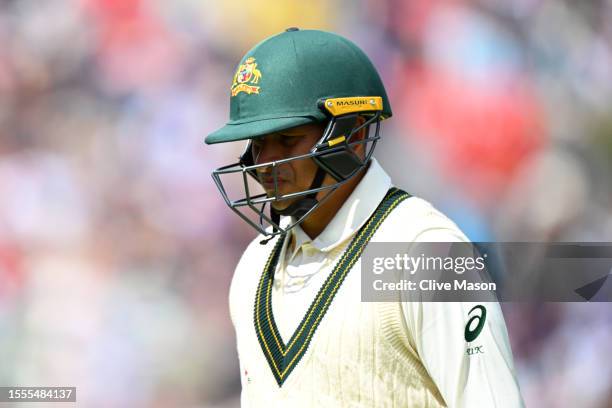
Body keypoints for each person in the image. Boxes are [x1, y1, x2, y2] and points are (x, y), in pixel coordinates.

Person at [205, 28, 524, 407]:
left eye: (287, 140)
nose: (266, 163)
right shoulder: (255, 266)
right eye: (258, 144)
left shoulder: (425, 252)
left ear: (353, 135)